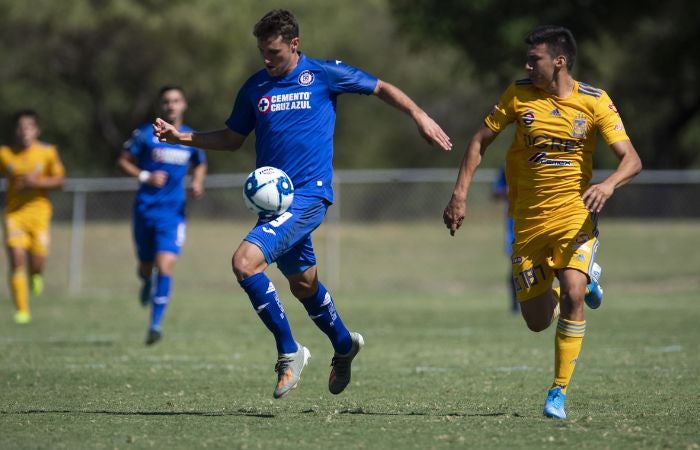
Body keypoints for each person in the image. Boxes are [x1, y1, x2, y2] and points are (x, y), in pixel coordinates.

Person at [154, 9, 452, 399]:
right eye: (262, 51)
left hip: (309, 194)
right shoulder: (255, 87)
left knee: (244, 263)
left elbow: (380, 87)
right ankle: (344, 344)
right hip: (274, 207)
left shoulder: (324, 75)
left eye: (274, 52)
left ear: (294, 45)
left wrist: (419, 115)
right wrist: (182, 139)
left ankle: (289, 351)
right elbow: (231, 138)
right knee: (303, 284)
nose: (266, 59)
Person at [443, 25, 642, 419]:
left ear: (559, 62)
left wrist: (609, 184)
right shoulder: (518, 96)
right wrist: (460, 194)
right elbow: (480, 140)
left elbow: (631, 159)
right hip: (528, 223)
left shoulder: (595, 101)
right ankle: (589, 278)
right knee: (536, 321)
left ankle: (558, 392)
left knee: (571, 293)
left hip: (574, 217)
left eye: (535, 59)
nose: (528, 65)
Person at [118, 86, 207, 346]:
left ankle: (155, 324)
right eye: (167, 101)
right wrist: (145, 176)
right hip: (145, 211)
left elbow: (200, 161)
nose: (171, 105)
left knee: (165, 266)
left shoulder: (188, 137)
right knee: (147, 266)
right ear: (161, 106)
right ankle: (146, 280)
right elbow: (123, 160)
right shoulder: (146, 135)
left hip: (173, 214)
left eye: (176, 100)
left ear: (184, 104)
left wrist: (198, 182)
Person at [0, 110, 66, 324]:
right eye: (20, 127)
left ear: (37, 130)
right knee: (16, 259)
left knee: (36, 261)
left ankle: (36, 275)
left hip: (39, 214)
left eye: (29, 127)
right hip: (14, 214)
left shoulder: (47, 152)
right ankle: (22, 310)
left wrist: (35, 183)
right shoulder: (5, 154)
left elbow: (60, 180)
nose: (24, 131)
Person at [491, 165, 519, 314]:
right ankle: (515, 305)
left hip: (539, 219)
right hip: (514, 222)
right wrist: (506, 192)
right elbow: (495, 193)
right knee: (516, 263)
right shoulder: (508, 165)